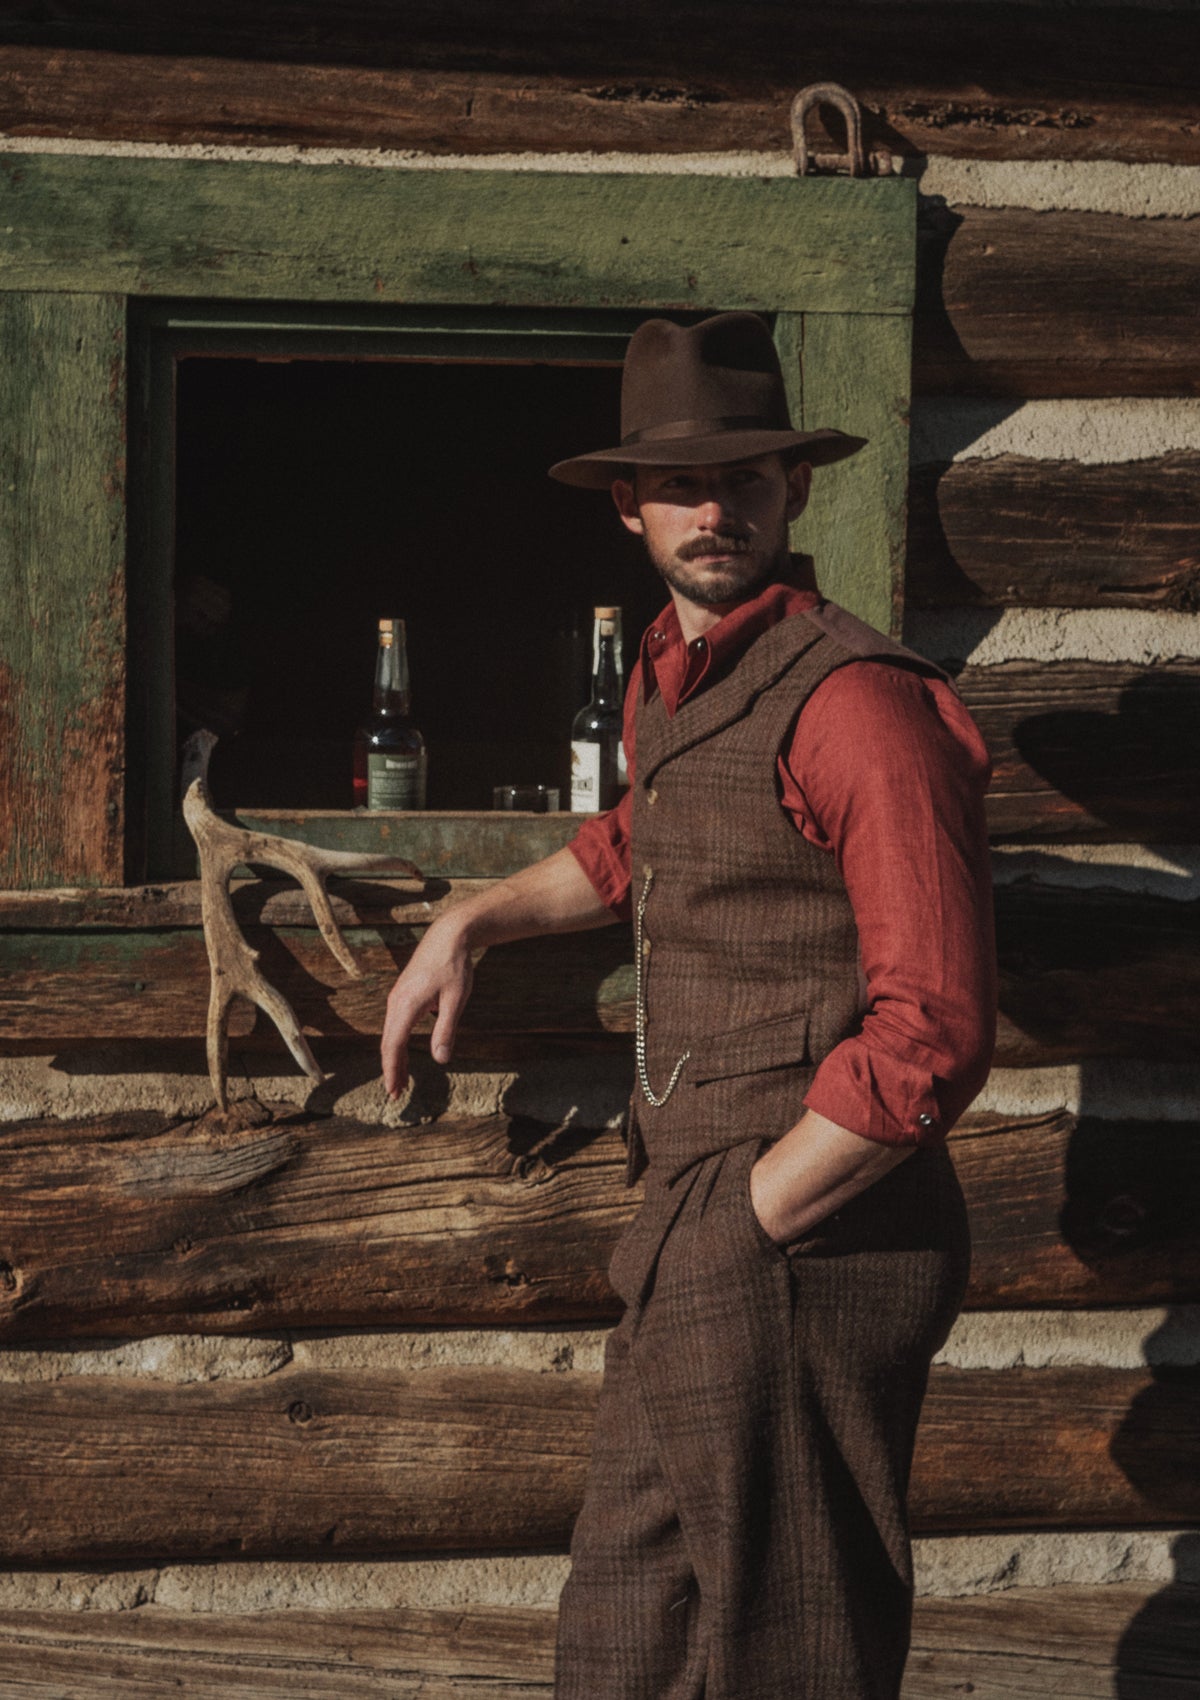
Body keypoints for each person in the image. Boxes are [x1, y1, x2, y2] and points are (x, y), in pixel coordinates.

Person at [380, 312, 997, 1700]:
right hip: (704, 1225)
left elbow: (934, 1032)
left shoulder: (858, 705)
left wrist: (749, 1217)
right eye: (682, 484)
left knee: (793, 1647)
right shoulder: (678, 673)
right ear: (630, 505)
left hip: (805, 1232)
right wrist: (472, 914)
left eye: (749, 479)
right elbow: (637, 842)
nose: (717, 508)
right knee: (630, 1634)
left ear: (798, 489)